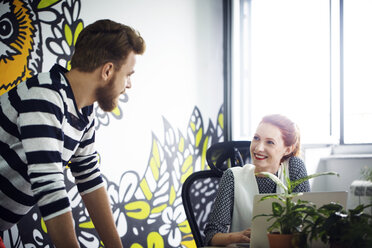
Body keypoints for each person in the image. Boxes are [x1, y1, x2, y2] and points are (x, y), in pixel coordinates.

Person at [0, 19, 145, 248]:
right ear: (108, 70)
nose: (128, 85)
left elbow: (89, 178)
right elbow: (50, 187)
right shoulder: (44, 96)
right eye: (128, 74)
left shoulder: (83, 112)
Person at [204, 114, 310, 246]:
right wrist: (237, 237)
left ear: (288, 149)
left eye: (270, 142)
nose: (258, 148)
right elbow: (211, 236)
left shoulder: (294, 167)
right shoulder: (232, 177)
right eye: (256, 138)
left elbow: (305, 224)